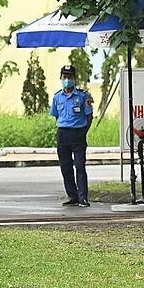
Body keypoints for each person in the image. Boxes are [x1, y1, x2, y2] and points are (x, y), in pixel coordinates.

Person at [49, 64, 92, 207]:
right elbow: (56, 116)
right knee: (65, 167)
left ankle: (83, 197)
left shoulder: (82, 96)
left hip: (78, 133)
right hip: (63, 134)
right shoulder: (57, 97)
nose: (67, 80)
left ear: (75, 78)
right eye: (65, 77)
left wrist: (83, 132)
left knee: (80, 166)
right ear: (61, 78)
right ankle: (72, 195)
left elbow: (89, 116)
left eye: (70, 77)